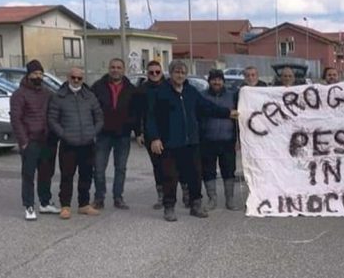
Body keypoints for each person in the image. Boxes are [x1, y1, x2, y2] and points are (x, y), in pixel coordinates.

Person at [146, 60, 238, 221]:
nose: (180, 75)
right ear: (171, 73)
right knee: (170, 176)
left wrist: (227, 113)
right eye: (177, 72)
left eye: (183, 72)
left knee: (195, 175)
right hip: (169, 143)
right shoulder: (160, 92)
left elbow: (207, 107)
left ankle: (196, 205)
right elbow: (150, 118)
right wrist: (154, 138)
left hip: (192, 142)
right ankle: (169, 207)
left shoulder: (191, 91)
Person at [47, 67, 103, 220]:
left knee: (86, 175)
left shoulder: (90, 96)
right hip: (68, 144)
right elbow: (52, 119)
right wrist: (63, 134)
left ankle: (84, 205)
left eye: (79, 78)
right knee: (67, 176)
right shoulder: (59, 97)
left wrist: (93, 132)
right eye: (73, 77)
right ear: (68, 77)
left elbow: (99, 117)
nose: (76, 80)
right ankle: (65, 206)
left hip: (87, 143)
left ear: (82, 79)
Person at [11, 59, 59, 220]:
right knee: (29, 175)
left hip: (46, 139)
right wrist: (23, 141)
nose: (38, 76)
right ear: (29, 74)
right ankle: (29, 206)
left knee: (46, 174)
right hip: (30, 141)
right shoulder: (19, 94)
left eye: (40, 73)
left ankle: (45, 203)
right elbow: (16, 119)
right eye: (35, 73)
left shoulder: (46, 92)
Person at [90, 58, 138, 210]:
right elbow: (91, 109)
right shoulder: (98, 87)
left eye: (118, 67)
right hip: (103, 134)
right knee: (98, 167)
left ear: (123, 70)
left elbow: (136, 113)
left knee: (121, 168)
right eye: (112, 67)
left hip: (123, 135)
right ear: (108, 69)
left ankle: (118, 197)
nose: (115, 70)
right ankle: (99, 198)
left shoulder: (131, 89)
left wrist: (137, 132)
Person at [200, 69, 240, 211]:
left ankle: (230, 200)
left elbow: (239, 118)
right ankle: (212, 199)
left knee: (229, 171)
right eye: (213, 79)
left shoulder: (232, 97)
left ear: (223, 81)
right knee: (208, 171)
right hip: (207, 140)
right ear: (209, 81)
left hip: (227, 140)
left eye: (219, 79)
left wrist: (238, 139)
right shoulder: (202, 96)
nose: (216, 82)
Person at [136, 61, 167, 209]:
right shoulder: (142, 90)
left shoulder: (169, 87)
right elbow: (137, 114)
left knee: (176, 165)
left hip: (170, 133)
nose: (154, 75)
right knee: (158, 166)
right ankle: (161, 196)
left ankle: (184, 194)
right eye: (151, 72)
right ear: (147, 74)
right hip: (150, 134)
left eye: (157, 72)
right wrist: (138, 133)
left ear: (162, 72)